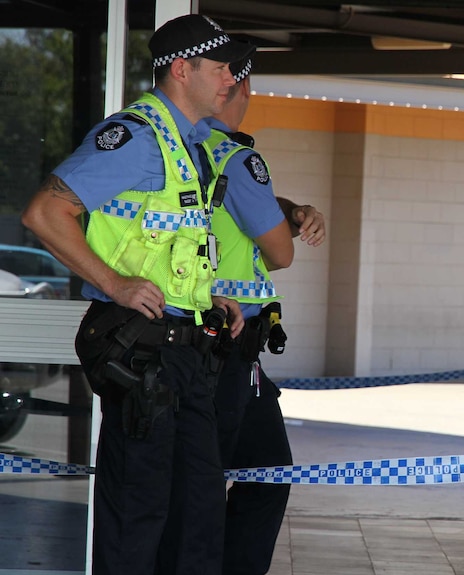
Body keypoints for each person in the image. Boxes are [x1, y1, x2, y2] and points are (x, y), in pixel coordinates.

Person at [20, 14, 251, 575]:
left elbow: (166, 245)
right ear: (181, 69)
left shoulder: (189, 144)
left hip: (188, 349)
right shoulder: (136, 138)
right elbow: (45, 213)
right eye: (221, 67)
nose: (231, 79)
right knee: (139, 514)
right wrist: (114, 284)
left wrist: (209, 298)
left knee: (197, 511)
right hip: (145, 355)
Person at [204, 50, 326, 575]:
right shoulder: (233, 155)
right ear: (238, 87)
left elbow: (245, 208)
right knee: (218, 483)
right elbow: (280, 253)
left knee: (264, 472)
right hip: (220, 345)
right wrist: (288, 226)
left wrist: (292, 210)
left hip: (237, 349)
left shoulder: (191, 146)